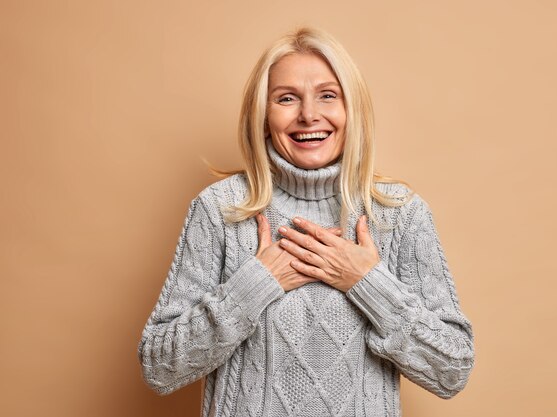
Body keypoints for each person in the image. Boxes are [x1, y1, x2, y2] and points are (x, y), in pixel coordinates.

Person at [138, 26, 475, 416]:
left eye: (328, 95)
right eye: (287, 98)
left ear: (352, 110)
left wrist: (368, 283)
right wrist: (254, 284)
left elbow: (451, 371)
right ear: (263, 115)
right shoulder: (221, 210)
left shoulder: (398, 214)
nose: (309, 115)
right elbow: (159, 367)